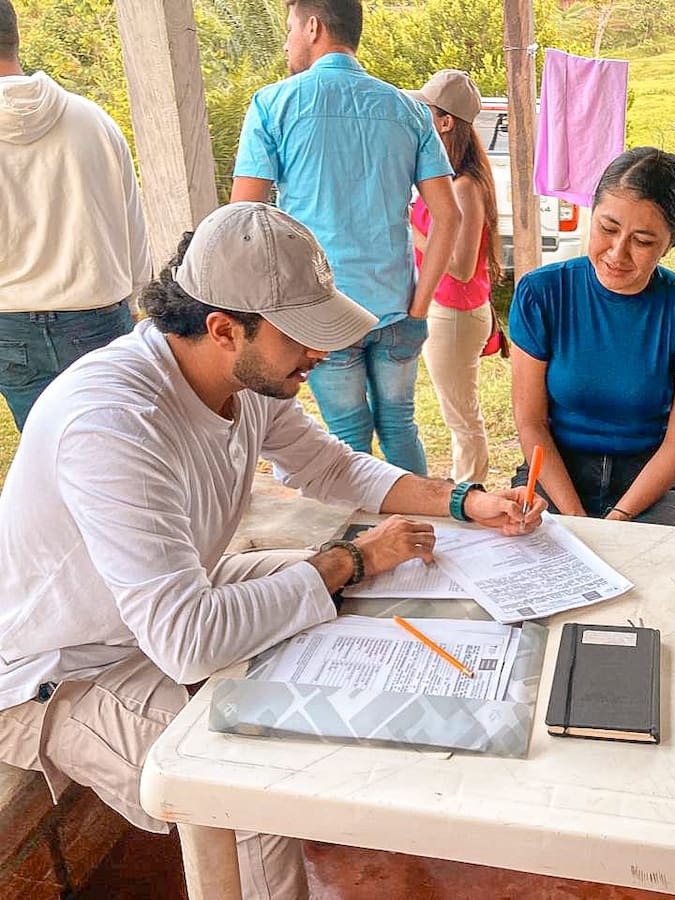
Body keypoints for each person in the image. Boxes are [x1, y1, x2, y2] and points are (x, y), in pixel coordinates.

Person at [0, 202, 544, 900]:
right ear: (224, 329)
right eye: (303, 336)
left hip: (172, 600)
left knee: (374, 593)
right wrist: (346, 560)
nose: (323, 353)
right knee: (249, 790)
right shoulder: (114, 424)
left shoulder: (243, 377)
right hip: (61, 666)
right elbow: (188, 641)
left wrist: (465, 500)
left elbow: (330, 466)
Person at [231, 0, 461, 474]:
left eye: (290, 29)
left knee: (347, 436)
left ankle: (366, 524)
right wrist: (420, 307)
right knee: (401, 426)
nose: (287, 43)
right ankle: (418, 517)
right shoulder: (409, 110)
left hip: (321, 313)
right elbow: (449, 216)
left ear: (313, 27)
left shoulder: (273, 104)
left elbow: (243, 217)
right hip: (398, 307)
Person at [508, 148, 675, 528]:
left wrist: (618, 519)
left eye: (642, 241)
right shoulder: (541, 294)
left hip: (650, 479)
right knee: (532, 551)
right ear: (591, 215)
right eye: (607, 229)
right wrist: (577, 518)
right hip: (555, 470)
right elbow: (531, 422)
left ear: (670, 243)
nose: (617, 253)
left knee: (665, 561)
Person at [0, 0, 150, 431]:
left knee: (49, 448)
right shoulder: (93, 121)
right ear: (15, 37)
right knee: (121, 446)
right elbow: (133, 225)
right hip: (98, 314)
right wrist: (137, 301)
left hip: (10, 326)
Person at [408, 69, 499, 484]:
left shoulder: (465, 186)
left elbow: (461, 267)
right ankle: (467, 490)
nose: (420, 118)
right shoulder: (448, 178)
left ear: (446, 122)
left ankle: (470, 494)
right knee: (458, 416)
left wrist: (410, 230)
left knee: (462, 418)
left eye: (427, 111)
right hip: (448, 310)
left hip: (455, 312)